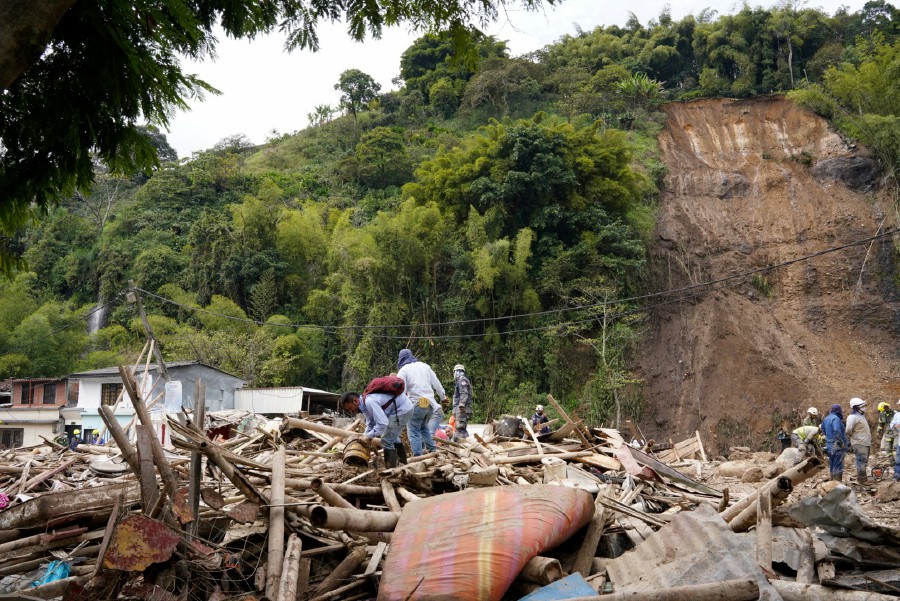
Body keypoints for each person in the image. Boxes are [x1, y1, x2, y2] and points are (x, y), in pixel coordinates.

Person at [340, 383, 413, 468]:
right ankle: (402, 464)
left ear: (355, 401)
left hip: (403, 409)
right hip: (399, 409)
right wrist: (364, 435)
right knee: (393, 437)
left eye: (350, 408)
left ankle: (392, 471)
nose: (351, 411)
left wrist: (369, 436)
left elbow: (382, 423)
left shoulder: (369, 402)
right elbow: (370, 423)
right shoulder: (364, 405)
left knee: (386, 440)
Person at [396, 349, 447, 457]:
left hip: (416, 403)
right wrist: (443, 398)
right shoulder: (425, 366)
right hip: (429, 404)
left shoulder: (403, 370)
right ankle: (433, 451)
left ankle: (418, 456)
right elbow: (437, 384)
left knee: (413, 431)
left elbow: (401, 390)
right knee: (424, 427)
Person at [845, 397, 872, 490]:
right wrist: (853, 436)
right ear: (856, 407)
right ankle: (862, 480)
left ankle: (862, 478)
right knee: (861, 461)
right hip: (859, 442)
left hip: (865, 442)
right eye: (862, 406)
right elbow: (848, 430)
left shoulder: (861, 416)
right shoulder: (852, 417)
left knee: (864, 461)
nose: (864, 407)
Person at [821, 404, 849, 482]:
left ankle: (832, 481)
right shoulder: (836, 418)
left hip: (829, 444)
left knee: (832, 463)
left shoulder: (826, 418)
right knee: (838, 463)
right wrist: (840, 441)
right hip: (837, 444)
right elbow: (837, 430)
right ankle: (837, 483)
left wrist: (829, 437)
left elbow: (822, 429)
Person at [451, 364, 472, 442]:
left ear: (457, 372)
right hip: (461, 409)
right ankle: (466, 444)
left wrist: (461, 406)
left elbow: (464, 393)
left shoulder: (461, 380)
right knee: (461, 429)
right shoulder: (462, 380)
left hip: (462, 410)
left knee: (460, 430)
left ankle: (463, 446)